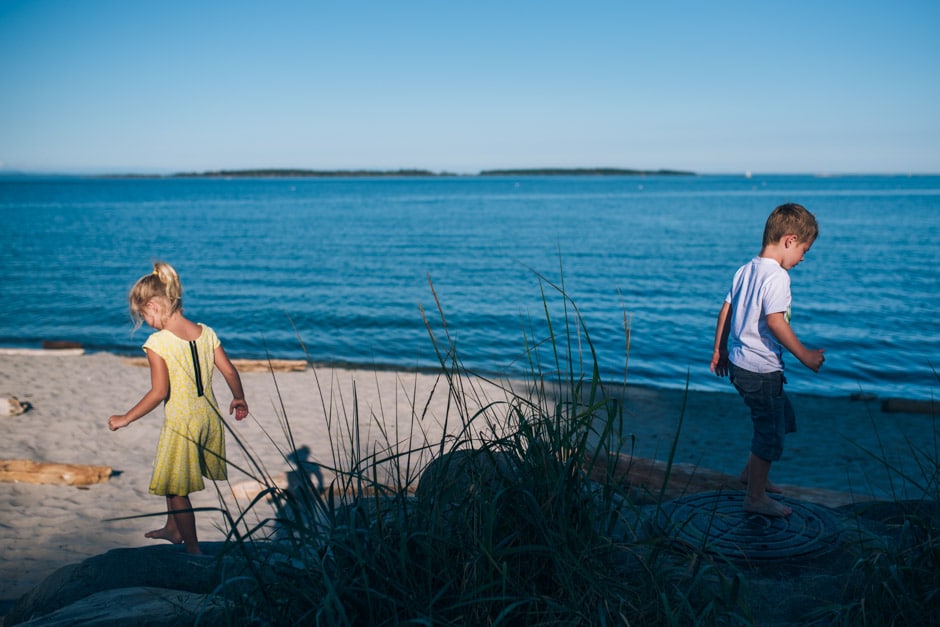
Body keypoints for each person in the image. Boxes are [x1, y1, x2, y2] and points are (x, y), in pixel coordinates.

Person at [108, 262, 249, 554]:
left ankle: (193, 549)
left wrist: (126, 418)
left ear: (153, 306)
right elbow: (230, 371)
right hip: (209, 418)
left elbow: (159, 392)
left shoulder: (158, 342)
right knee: (173, 475)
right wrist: (238, 398)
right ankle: (173, 529)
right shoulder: (206, 332)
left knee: (176, 488)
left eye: (143, 315)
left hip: (182, 423)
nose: (145, 320)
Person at [710, 203, 825, 518]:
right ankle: (755, 497)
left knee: (780, 417)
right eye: (804, 250)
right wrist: (805, 356)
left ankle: (752, 475)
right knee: (770, 433)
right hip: (761, 369)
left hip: (740, 365)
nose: (802, 258)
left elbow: (726, 311)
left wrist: (719, 350)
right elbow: (776, 322)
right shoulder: (777, 277)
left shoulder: (745, 269)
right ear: (789, 240)